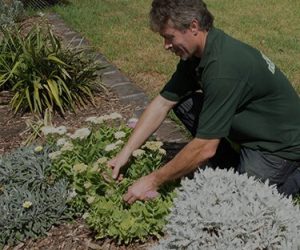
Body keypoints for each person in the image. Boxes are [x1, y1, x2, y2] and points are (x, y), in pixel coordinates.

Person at [108, 0, 300, 204]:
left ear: (193, 26)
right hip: (254, 129)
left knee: (242, 201)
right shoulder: (199, 53)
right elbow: (163, 103)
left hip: (278, 145)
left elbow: (206, 147)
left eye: (169, 37)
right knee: (184, 103)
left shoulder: (222, 70)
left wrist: (152, 180)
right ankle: (232, 162)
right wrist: (125, 153)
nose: (166, 46)